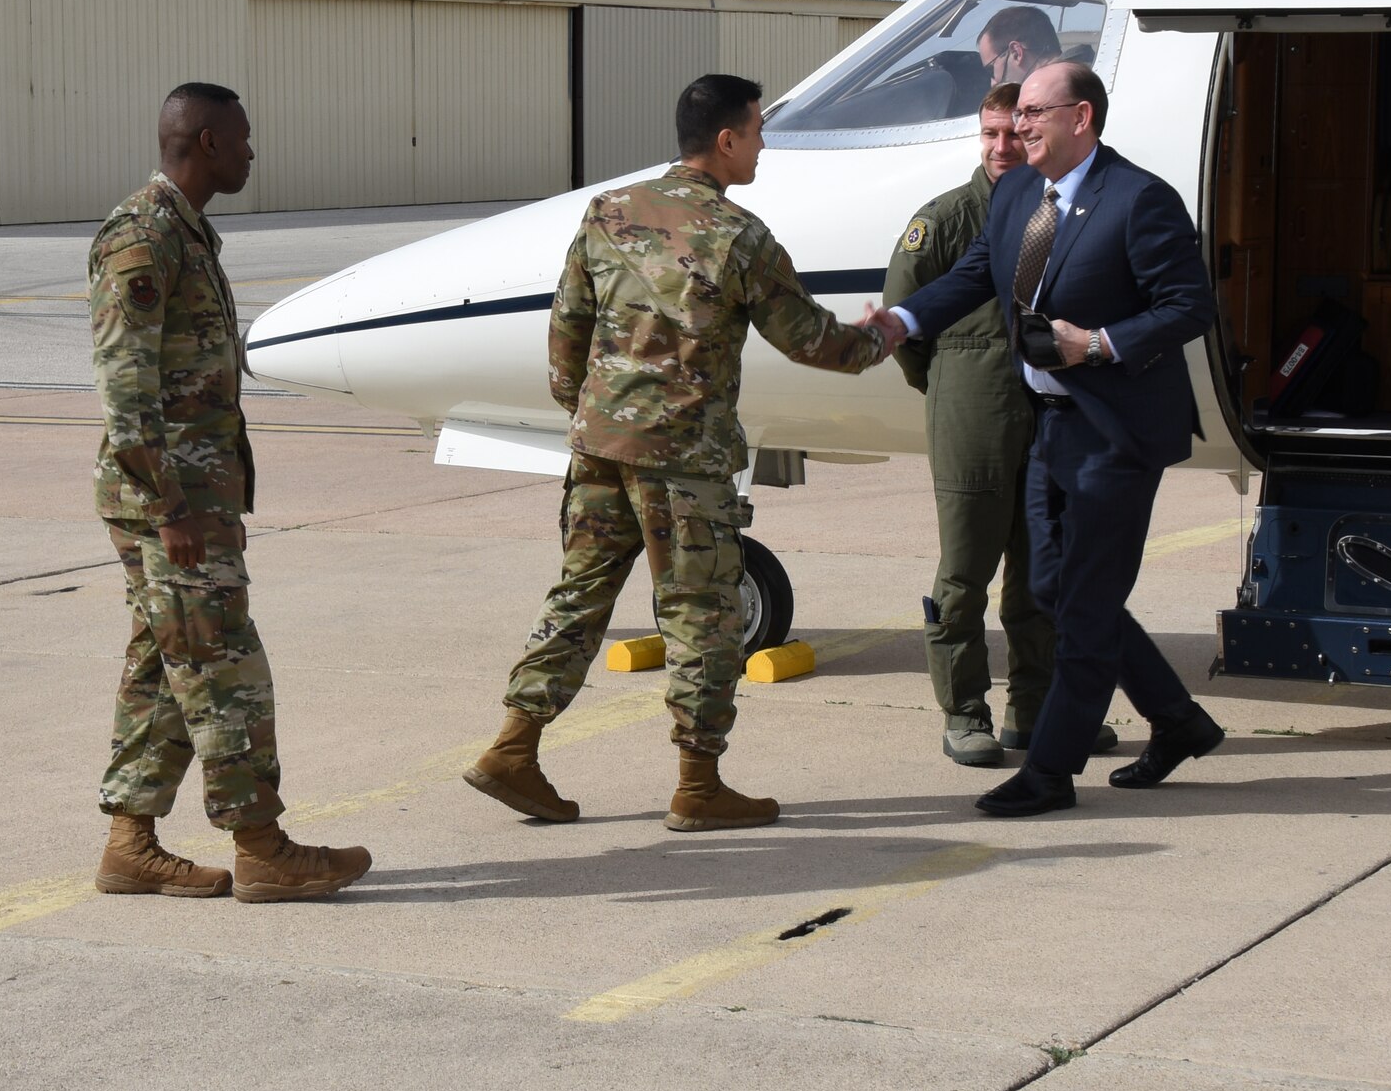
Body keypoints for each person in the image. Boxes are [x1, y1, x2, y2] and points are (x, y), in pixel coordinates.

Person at [466, 74, 898, 832]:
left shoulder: (608, 212)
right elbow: (811, 341)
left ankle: (513, 747)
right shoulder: (738, 236)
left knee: (578, 598)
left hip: (600, 444)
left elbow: (567, 330)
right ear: (726, 140)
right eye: (758, 131)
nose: (763, 145)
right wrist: (883, 335)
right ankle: (699, 786)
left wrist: (590, 413)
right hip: (683, 458)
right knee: (703, 614)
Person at [875, 62, 1223, 816]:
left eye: (1035, 112)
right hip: (1049, 426)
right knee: (1052, 588)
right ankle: (1178, 720)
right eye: (1017, 113)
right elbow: (975, 275)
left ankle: (1050, 771)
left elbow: (1188, 306)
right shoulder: (1016, 195)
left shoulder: (1139, 200)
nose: (1019, 126)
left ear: (1082, 117)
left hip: (1116, 430)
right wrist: (903, 321)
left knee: (1088, 606)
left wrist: (1096, 344)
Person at [90, 81, 372, 901]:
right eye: (243, 138)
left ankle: (128, 844)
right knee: (224, 669)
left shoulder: (186, 233)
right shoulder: (143, 237)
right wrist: (169, 507)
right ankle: (262, 847)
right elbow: (124, 385)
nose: (252, 152)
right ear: (206, 141)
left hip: (189, 494)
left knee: (164, 668)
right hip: (170, 501)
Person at [882, 83, 1116, 767]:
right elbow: (904, 318)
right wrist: (953, 386)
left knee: (1044, 573)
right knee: (964, 573)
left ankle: (1035, 711)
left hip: (1055, 420)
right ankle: (965, 712)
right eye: (990, 134)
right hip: (973, 419)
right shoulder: (948, 219)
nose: (1001, 146)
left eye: (1015, 133)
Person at [977, 5, 1062, 87]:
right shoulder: (1072, 77)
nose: (993, 83)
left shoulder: (1041, 98)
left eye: (991, 70)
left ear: (1016, 53)